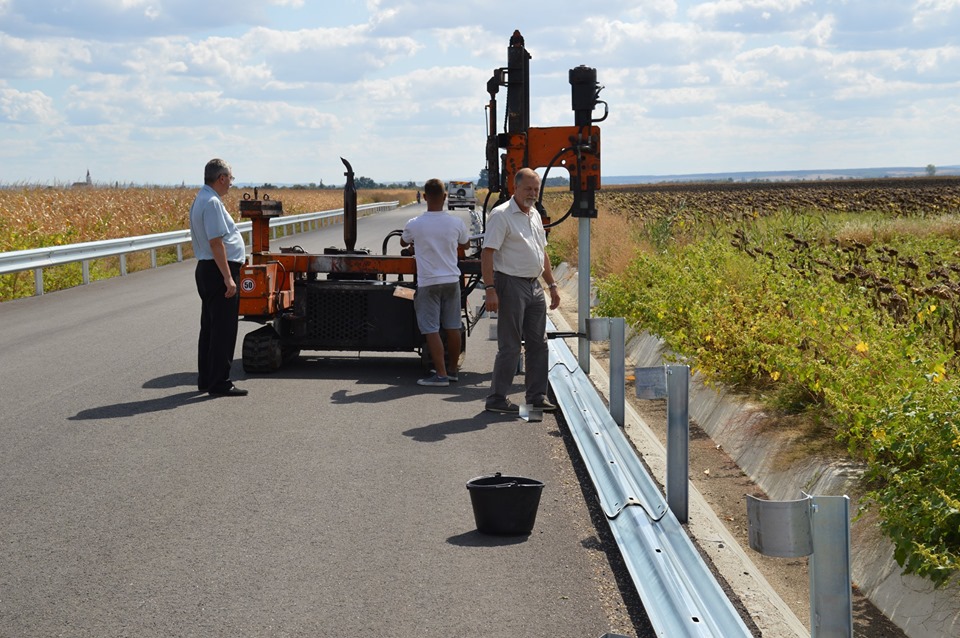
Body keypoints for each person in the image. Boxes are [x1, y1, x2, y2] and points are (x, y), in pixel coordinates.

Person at [481, 167, 561, 414]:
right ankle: (496, 398)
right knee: (511, 345)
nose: (532, 193)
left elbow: (542, 253)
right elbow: (488, 253)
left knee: (539, 343)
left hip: (533, 285)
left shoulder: (534, 214)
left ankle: (536, 397)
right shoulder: (501, 215)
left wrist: (553, 285)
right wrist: (490, 289)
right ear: (514, 188)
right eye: (528, 188)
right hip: (510, 283)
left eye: (536, 189)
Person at [401, 178, 470, 387]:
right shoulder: (456, 222)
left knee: (431, 329)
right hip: (451, 280)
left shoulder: (415, 223)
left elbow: (404, 241)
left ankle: (440, 376)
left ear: (424, 197)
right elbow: (465, 244)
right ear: (445, 196)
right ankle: (452, 371)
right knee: (453, 326)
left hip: (428, 282)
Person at [189, 158, 248, 397]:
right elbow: (216, 243)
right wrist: (228, 278)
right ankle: (220, 382)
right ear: (221, 178)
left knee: (210, 329)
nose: (231, 184)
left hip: (208, 269)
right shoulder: (212, 202)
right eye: (230, 179)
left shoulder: (201, 198)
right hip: (218, 271)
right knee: (223, 330)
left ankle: (207, 379)